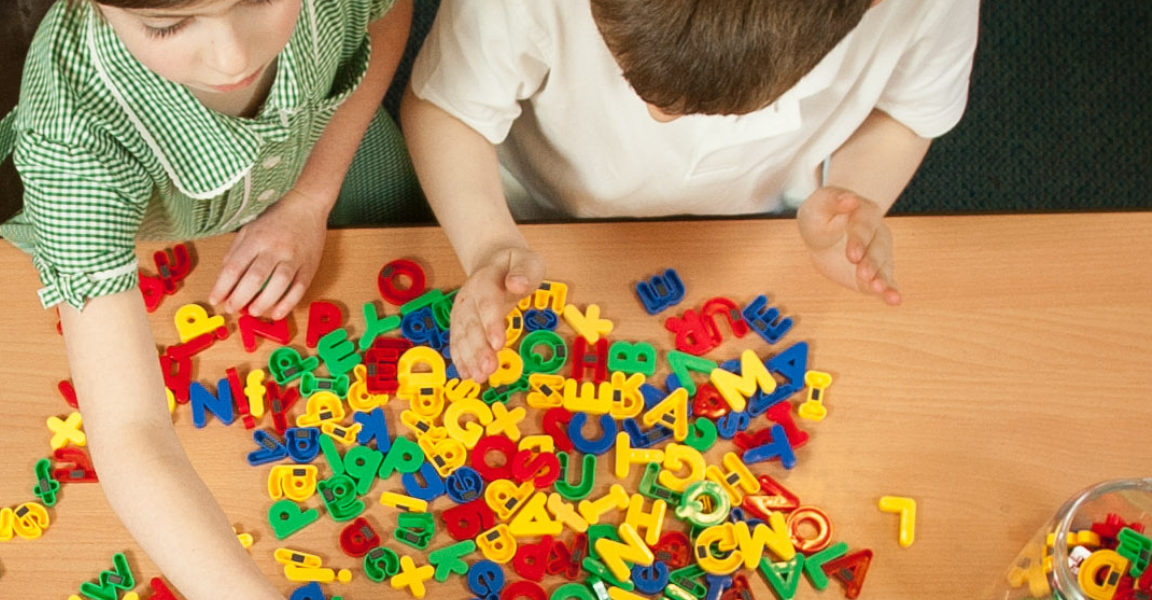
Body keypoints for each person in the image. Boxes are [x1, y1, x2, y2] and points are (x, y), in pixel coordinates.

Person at [0, 0, 426, 600]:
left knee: (397, 209)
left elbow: (390, 16)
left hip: (315, 143)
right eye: (170, 27)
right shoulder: (73, 141)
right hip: (153, 213)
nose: (232, 54)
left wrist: (309, 197)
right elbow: (129, 428)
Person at [401, 0, 979, 380]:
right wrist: (487, 242)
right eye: (633, 78)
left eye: (692, 107)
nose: (656, 118)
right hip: (531, 204)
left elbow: (905, 110)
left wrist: (856, 191)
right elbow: (446, 108)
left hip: (759, 220)